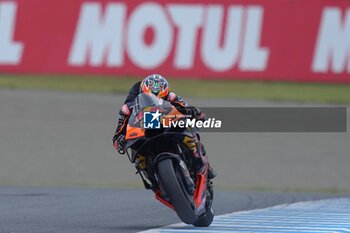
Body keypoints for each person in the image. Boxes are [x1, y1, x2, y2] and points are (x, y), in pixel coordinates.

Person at [112, 74, 216, 179]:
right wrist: (119, 138)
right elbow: (119, 129)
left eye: (159, 97)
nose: (155, 101)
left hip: (168, 126)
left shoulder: (172, 97)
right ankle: (152, 179)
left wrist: (195, 113)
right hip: (145, 131)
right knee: (137, 153)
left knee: (189, 133)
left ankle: (204, 163)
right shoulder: (130, 106)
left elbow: (187, 107)